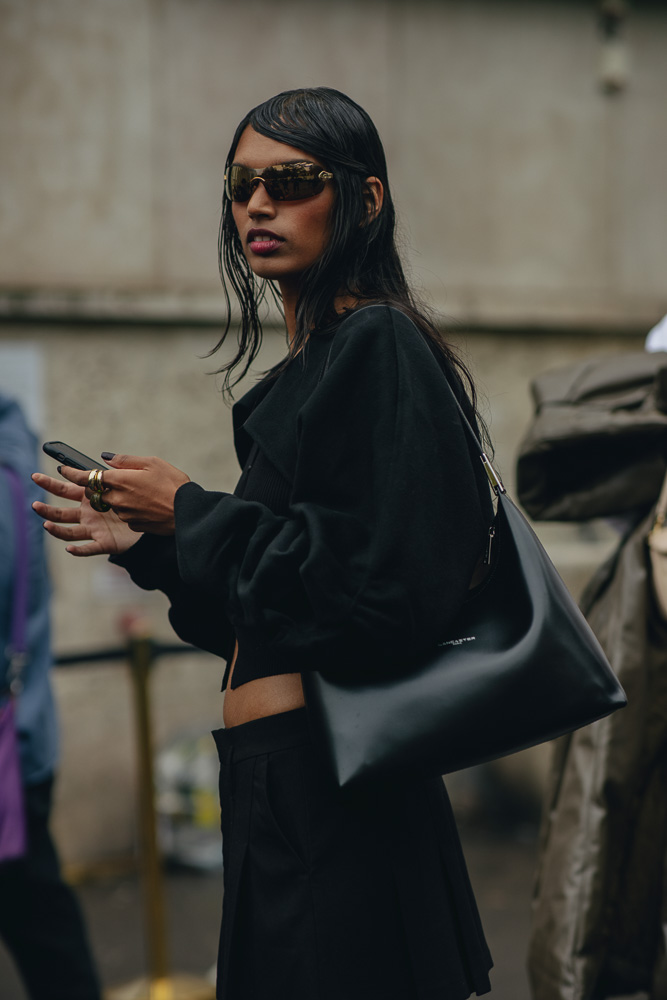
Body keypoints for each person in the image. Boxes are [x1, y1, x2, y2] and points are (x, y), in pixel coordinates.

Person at [32, 87, 494, 1000]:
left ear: (363, 199)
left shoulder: (379, 346)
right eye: (241, 185)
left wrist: (192, 508)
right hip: (282, 787)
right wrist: (150, 542)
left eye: (291, 181)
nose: (257, 204)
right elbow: (280, 611)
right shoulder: (321, 360)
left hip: (341, 794)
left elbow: (386, 593)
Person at [0, 393, 101, 1000]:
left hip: (12, 755)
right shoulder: (15, 458)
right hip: (22, 741)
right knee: (44, 926)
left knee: (45, 935)